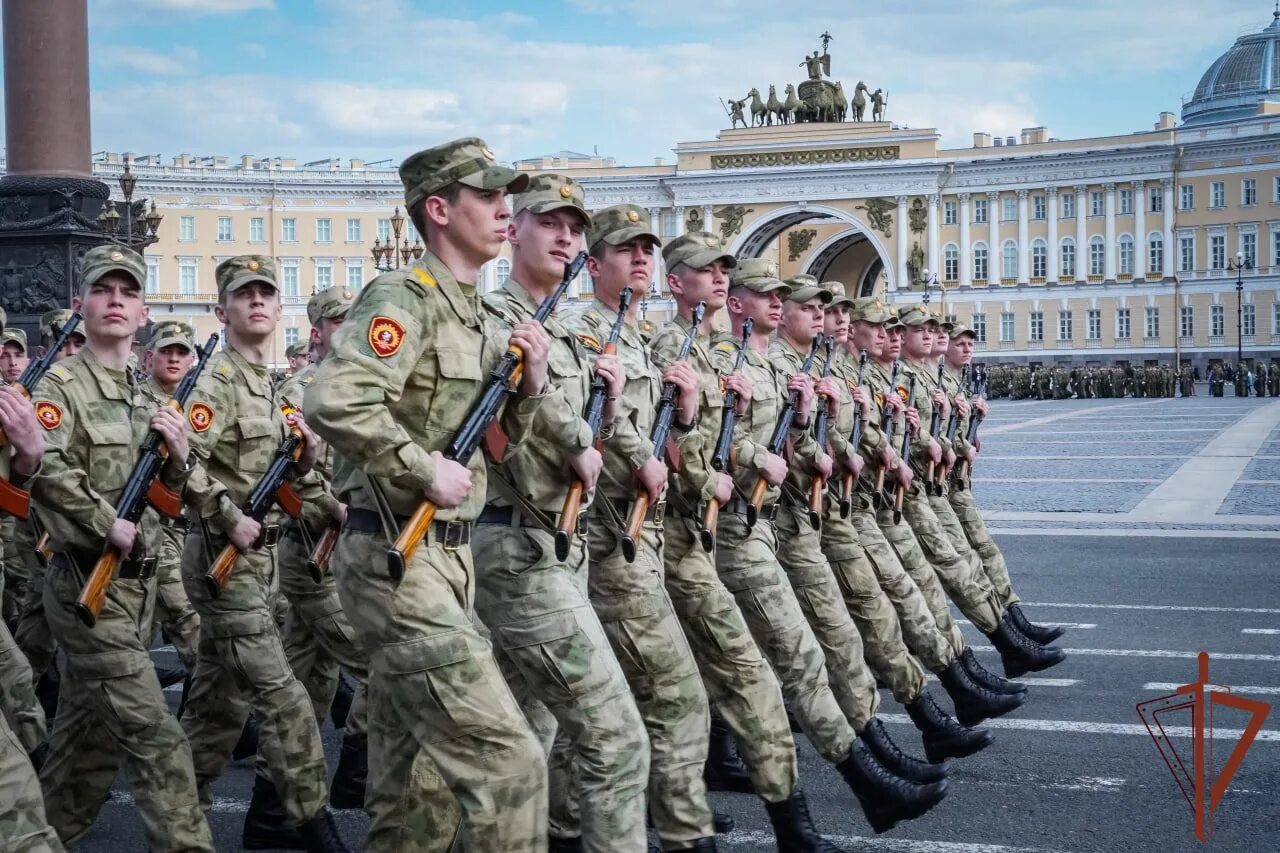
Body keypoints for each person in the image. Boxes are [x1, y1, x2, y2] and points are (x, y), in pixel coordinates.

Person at [306, 138, 550, 852]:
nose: (507, 209)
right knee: (512, 766)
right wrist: (419, 466)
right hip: (395, 555)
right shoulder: (402, 296)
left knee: (417, 797)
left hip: (448, 560)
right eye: (489, 195)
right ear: (439, 210)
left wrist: (529, 393)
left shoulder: (475, 314)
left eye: (508, 196)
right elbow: (333, 398)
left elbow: (497, 446)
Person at [713, 259, 947, 834]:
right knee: (805, 651)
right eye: (809, 306)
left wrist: (827, 432)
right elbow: (699, 445)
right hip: (741, 528)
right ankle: (873, 767)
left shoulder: (781, 366)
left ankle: (890, 749)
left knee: (802, 650)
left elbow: (787, 438)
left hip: (784, 520)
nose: (827, 319)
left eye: (834, 311)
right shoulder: (723, 357)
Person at [471, 174, 650, 853]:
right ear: (513, 230)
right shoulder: (496, 324)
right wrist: (564, 420)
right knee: (615, 736)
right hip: (515, 549)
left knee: (525, 742)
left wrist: (596, 419)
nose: (566, 236)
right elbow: (497, 441)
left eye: (574, 226)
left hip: (557, 545)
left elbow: (585, 439)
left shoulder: (564, 330)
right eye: (550, 222)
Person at [653, 235, 844, 851]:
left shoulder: (722, 356)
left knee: (724, 674)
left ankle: (806, 806)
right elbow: (675, 443)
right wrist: (727, 465)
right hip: (667, 533)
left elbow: (707, 434)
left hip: (709, 528)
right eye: (705, 270)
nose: (716, 278)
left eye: (722, 270)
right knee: (668, 691)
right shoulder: (666, 347)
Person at [27, 245, 214, 851]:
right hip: (87, 588)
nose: (115, 300)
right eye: (103, 290)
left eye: (127, 292)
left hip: (139, 594)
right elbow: (46, 471)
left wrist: (181, 457)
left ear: (143, 313)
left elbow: (173, 496)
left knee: (85, 750)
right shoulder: (58, 388)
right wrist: (106, 521)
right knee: (159, 742)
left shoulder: (148, 396)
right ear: (80, 305)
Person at [561, 205, 721, 851]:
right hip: (605, 540)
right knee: (676, 695)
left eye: (647, 250)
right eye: (625, 250)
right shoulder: (580, 331)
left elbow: (664, 450)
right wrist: (635, 448)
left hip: (641, 535)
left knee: (592, 711)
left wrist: (680, 417)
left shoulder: (635, 337)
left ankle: (567, 826)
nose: (640, 259)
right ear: (593, 263)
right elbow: (564, 432)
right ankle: (685, 832)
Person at [178, 255, 348, 852]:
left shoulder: (271, 390)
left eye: (266, 294)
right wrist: (228, 516)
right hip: (224, 566)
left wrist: (321, 494)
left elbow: (285, 479)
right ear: (222, 311)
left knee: (216, 714)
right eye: (243, 295)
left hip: (265, 565)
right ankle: (314, 829)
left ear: (279, 310)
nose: (257, 302)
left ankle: (179, 827)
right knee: (287, 701)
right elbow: (179, 462)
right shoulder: (215, 381)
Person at [272, 286, 372, 816]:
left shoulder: (356, 384)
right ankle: (356, 774)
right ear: (317, 332)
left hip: (345, 553)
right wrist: (331, 507)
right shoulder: (299, 390)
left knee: (307, 688)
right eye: (338, 321)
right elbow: (289, 475)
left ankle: (273, 809)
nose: (348, 327)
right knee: (382, 666)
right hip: (315, 553)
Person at [139, 322, 203, 680]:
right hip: (153, 532)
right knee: (188, 623)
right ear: (150, 358)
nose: (174, 359)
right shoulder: (139, 402)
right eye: (167, 352)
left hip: (189, 531)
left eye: (181, 353)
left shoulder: (196, 404)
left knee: (138, 634)